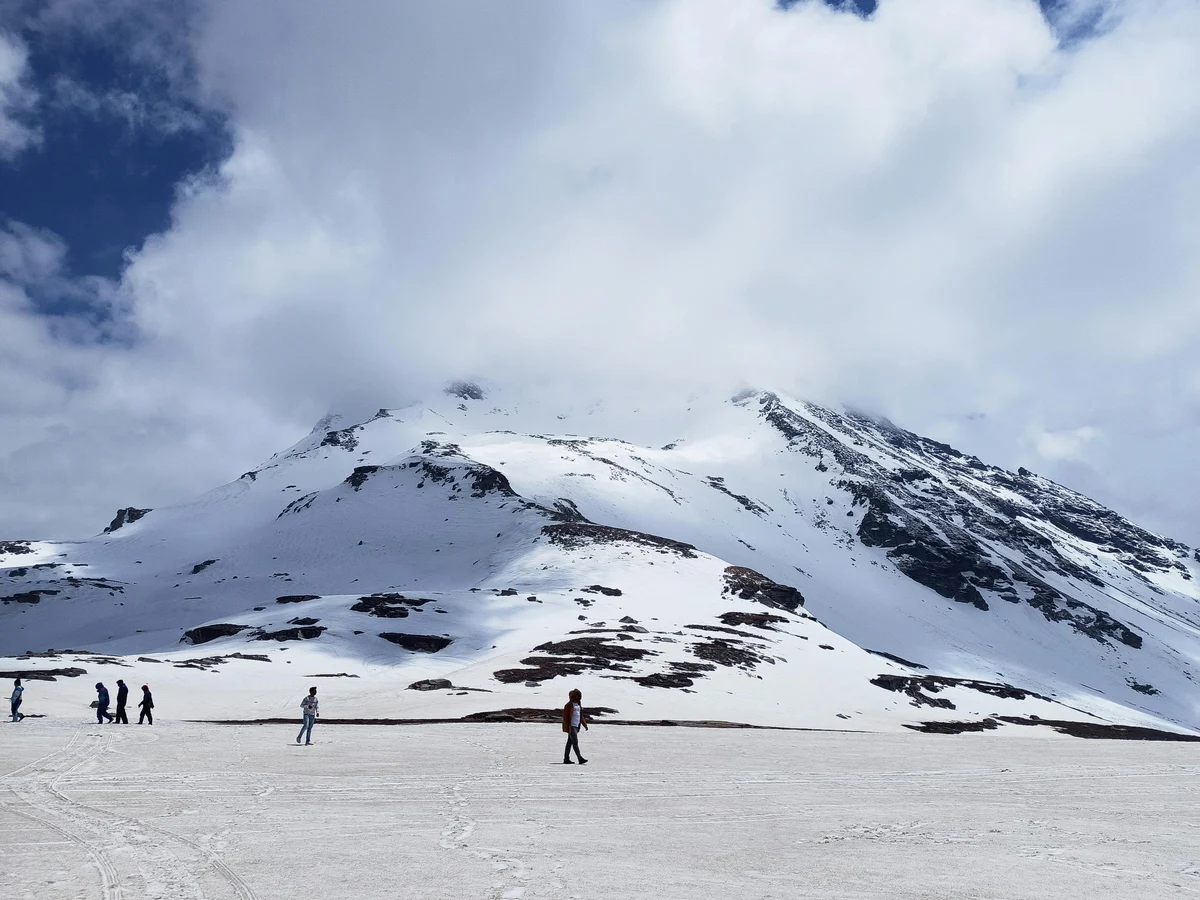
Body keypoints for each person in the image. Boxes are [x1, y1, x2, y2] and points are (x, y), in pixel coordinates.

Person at [561, 688, 588, 765]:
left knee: (569, 743)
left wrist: (584, 725)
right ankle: (580, 758)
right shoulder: (568, 706)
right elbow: (565, 718)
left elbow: (580, 716)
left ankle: (566, 759)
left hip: (576, 726)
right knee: (575, 742)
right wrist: (568, 728)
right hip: (571, 726)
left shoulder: (578, 705)